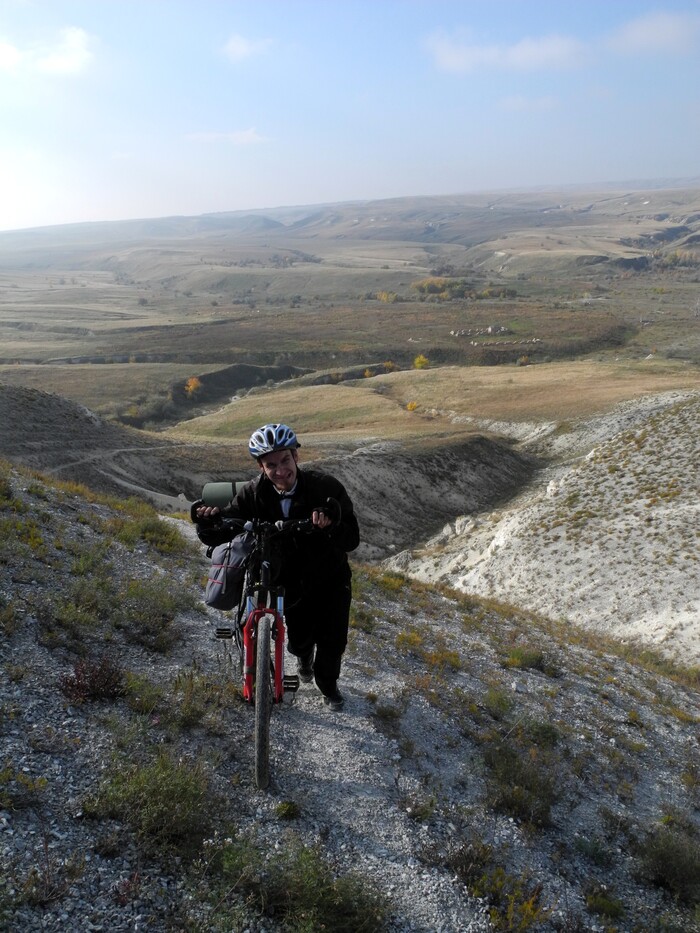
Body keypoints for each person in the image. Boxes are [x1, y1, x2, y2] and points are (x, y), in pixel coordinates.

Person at [194, 423, 360, 711]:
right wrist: (207, 525)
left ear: (295, 456)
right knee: (299, 640)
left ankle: (329, 687)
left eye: (285, 460)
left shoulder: (325, 488)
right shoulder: (252, 494)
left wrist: (331, 525)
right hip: (289, 580)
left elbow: (352, 539)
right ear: (261, 467)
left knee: (333, 642)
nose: (281, 470)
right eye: (271, 465)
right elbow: (228, 526)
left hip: (331, 578)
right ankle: (303, 658)